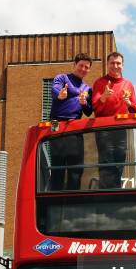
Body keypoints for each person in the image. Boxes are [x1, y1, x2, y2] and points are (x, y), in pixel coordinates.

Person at [92, 52, 136, 188]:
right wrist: (104, 97)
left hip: (121, 130)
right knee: (106, 164)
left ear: (123, 66)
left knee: (120, 163)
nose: (115, 66)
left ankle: (115, 193)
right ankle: (105, 198)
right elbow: (95, 108)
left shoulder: (128, 84)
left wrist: (128, 103)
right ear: (107, 65)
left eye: (118, 63)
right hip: (103, 130)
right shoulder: (99, 82)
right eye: (112, 63)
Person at [49, 53, 93, 190]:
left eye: (87, 67)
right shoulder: (62, 78)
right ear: (74, 65)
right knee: (57, 166)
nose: (83, 69)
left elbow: (89, 112)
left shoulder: (87, 89)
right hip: (56, 123)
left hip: (75, 125)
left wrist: (84, 103)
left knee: (76, 167)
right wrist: (60, 94)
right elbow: (55, 89)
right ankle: (54, 202)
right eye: (81, 65)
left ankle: (72, 203)